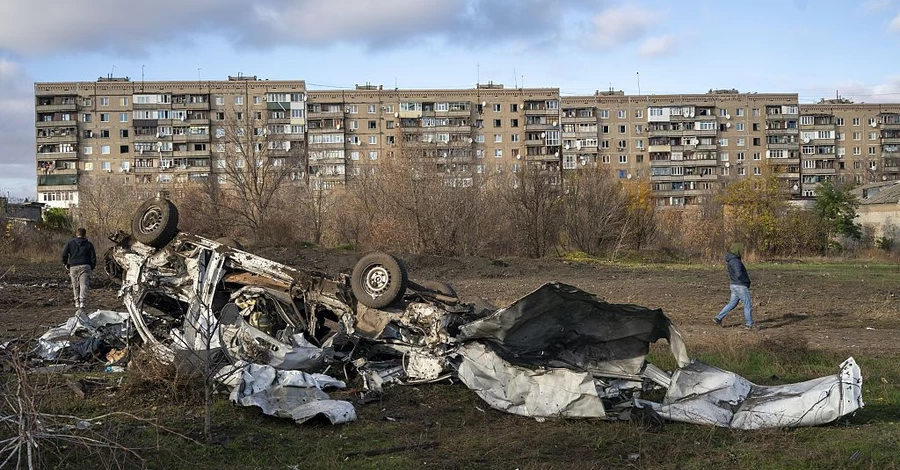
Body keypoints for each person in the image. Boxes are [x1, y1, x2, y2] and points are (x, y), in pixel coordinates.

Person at [713, 242, 754, 329]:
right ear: (738, 250)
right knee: (748, 304)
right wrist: (747, 281)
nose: (743, 251)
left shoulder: (731, 260)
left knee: (732, 303)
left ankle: (718, 318)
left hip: (734, 285)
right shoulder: (736, 261)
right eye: (742, 249)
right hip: (740, 286)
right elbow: (739, 274)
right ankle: (749, 324)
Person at [61, 227, 96, 311]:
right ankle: (82, 302)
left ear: (76, 234)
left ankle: (76, 302)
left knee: (75, 285)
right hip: (85, 265)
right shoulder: (89, 244)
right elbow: (93, 257)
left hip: (73, 266)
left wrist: (65, 263)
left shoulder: (70, 243)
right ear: (85, 234)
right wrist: (91, 267)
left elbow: (64, 254)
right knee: (84, 285)